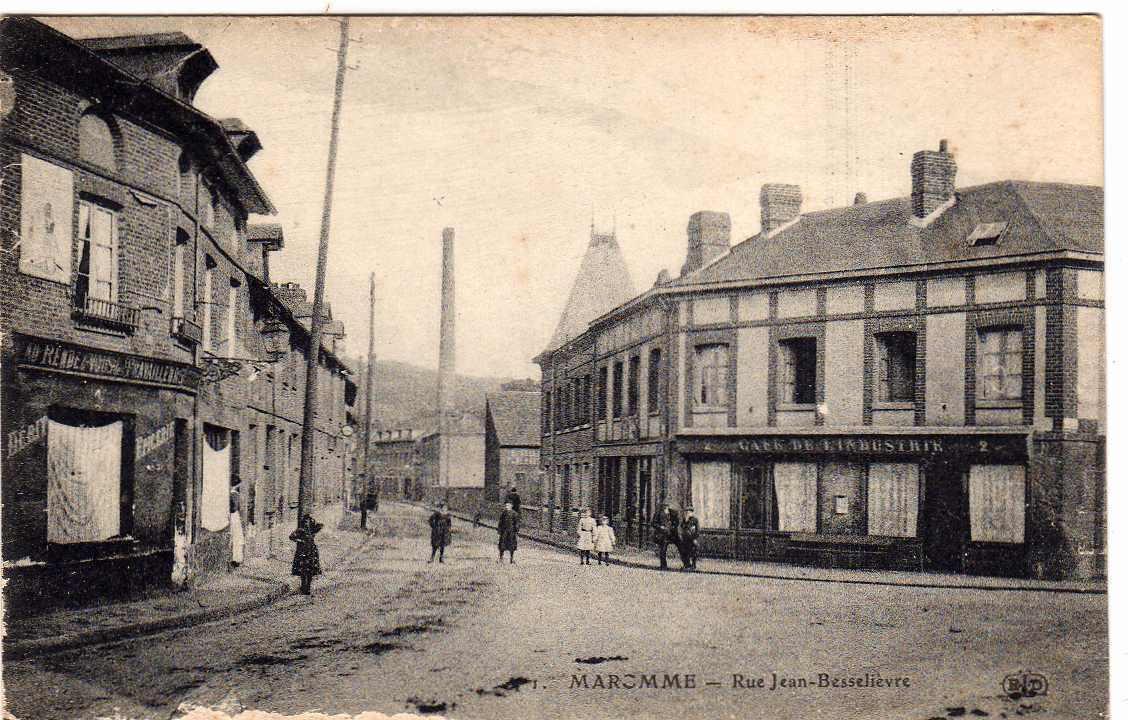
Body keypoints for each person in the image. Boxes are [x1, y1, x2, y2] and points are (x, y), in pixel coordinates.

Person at [290, 514, 323, 595]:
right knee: (303, 570)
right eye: (305, 522)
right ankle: (304, 586)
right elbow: (291, 537)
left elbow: (320, 525)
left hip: (311, 551)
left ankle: (307, 587)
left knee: (310, 570)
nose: (306, 524)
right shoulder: (300, 530)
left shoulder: (312, 530)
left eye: (308, 522)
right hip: (302, 552)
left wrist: (314, 523)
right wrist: (300, 540)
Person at [651, 502, 680, 570]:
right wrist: (660, 527)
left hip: (671, 534)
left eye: (667, 506)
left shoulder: (673, 513)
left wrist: (673, 527)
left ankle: (687, 564)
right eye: (664, 506)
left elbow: (676, 522)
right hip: (662, 535)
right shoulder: (658, 513)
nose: (666, 507)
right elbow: (653, 523)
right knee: (663, 550)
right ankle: (663, 565)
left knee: (681, 546)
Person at [229, 484, 244, 570]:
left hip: (233, 516)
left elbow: (234, 507)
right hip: (235, 516)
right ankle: (237, 558)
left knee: (235, 537)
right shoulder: (236, 494)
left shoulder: (232, 494)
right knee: (237, 537)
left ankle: (235, 558)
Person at [680, 506, 700, 571]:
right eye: (686, 512)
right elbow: (682, 528)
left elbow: (697, 530)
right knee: (684, 552)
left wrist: (695, 538)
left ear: (692, 513)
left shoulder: (695, 520)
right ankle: (687, 565)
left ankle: (693, 566)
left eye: (689, 512)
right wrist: (685, 521)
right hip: (685, 539)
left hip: (692, 539)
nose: (687, 513)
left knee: (693, 552)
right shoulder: (685, 520)